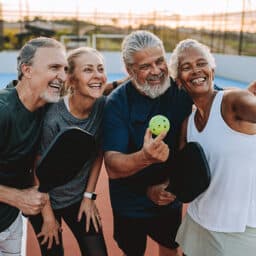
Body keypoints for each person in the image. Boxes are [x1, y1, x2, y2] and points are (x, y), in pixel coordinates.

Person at [103, 30, 193, 256]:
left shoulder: (180, 90)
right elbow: (113, 166)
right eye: (145, 67)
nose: (156, 71)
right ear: (129, 70)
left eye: (159, 61)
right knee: (133, 251)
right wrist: (145, 157)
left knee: (171, 247)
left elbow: (217, 97)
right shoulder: (116, 103)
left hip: (167, 195)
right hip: (129, 203)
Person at [168, 38, 256, 256]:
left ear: (212, 70)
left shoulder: (234, 100)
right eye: (186, 67)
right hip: (199, 221)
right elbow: (183, 174)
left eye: (201, 63)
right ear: (179, 80)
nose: (196, 71)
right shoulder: (188, 123)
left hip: (239, 231)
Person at [29, 46, 108, 256]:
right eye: (88, 70)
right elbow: (37, 169)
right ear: (71, 80)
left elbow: (97, 152)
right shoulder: (53, 118)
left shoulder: (103, 107)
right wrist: (47, 217)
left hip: (78, 198)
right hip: (45, 200)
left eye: (100, 68)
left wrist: (89, 196)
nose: (97, 75)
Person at [0, 37, 67, 255]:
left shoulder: (45, 104)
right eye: (54, 67)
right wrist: (17, 197)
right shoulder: (3, 112)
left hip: (9, 221)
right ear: (27, 70)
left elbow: (85, 92)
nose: (63, 76)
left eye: (65, 69)